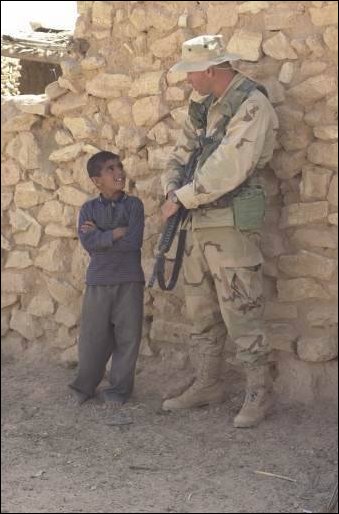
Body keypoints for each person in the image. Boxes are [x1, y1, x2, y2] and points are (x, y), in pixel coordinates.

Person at [161, 35, 279, 428]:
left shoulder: (251, 105)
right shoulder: (202, 106)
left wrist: (182, 197)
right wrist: (171, 187)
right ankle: (208, 382)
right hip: (198, 221)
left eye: (191, 73)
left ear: (210, 70)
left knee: (241, 308)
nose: (187, 80)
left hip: (230, 222)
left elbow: (230, 165)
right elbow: (181, 152)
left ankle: (259, 391)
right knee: (201, 309)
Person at [69, 151, 145, 406]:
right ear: (96, 180)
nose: (119, 172)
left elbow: (133, 243)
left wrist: (102, 235)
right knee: (92, 338)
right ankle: (84, 387)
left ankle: (118, 390)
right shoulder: (88, 208)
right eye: (110, 169)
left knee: (128, 338)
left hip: (129, 280)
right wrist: (114, 234)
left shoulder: (134, 205)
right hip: (98, 280)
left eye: (119, 166)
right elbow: (88, 243)